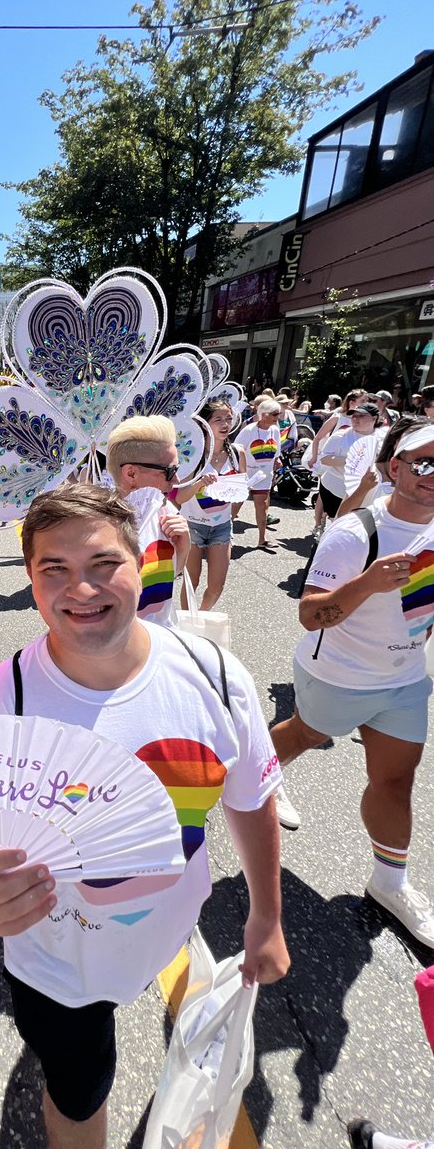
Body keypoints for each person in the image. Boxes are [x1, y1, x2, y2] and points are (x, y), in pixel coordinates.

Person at [0, 483, 289, 1149]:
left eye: (104, 565)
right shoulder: (2, 698)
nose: (84, 589)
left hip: (168, 932)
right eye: (56, 570)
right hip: (56, 961)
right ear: (33, 584)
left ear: (142, 563)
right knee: (79, 1090)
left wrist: (266, 918)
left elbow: (250, 798)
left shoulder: (215, 675)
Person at [269, 423, 434, 948]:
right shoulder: (357, 531)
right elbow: (311, 615)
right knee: (302, 736)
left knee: (396, 780)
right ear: (394, 468)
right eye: (422, 464)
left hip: (405, 678)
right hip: (337, 674)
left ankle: (390, 883)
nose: (432, 476)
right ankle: (252, 779)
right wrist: (369, 582)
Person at [105, 415, 190, 627]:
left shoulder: (164, 510)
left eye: (177, 470)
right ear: (131, 473)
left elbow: (167, 576)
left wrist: (183, 546)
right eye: (170, 471)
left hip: (161, 642)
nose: (177, 481)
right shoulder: (97, 524)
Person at [175, 399, 247, 610]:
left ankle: (202, 617)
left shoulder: (237, 453)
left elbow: (241, 491)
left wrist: (231, 515)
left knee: (217, 586)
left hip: (222, 527)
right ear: (205, 424)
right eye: (218, 419)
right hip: (192, 525)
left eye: (228, 419)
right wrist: (199, 483)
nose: (225, 424)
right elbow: (178, 498)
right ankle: (188, 626)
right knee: (191, 582)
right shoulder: (193, 455)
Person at [316, 401, 381, 521]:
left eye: (361, 416)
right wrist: (350, 460)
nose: (355, 419)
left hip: (365, 491)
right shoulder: (341, 435)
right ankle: (320, 527)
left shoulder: (381, 440)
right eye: (354, 416)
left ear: (374, 419)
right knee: (337, 522)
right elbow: (324, 459)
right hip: (335, 487)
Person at [234, 399, 282, 551]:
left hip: (264, 476)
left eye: (278, 414)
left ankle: (263, 538)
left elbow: (277, 452)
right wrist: (239, 472)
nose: (277, 417)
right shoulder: (249, 430)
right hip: (246, 475)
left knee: (262, 507)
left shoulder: (274, 430)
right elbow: (236, 451)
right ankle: (225, 535)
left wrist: (277, 461)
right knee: (235, 506)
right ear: (263, 414)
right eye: (274, 414)